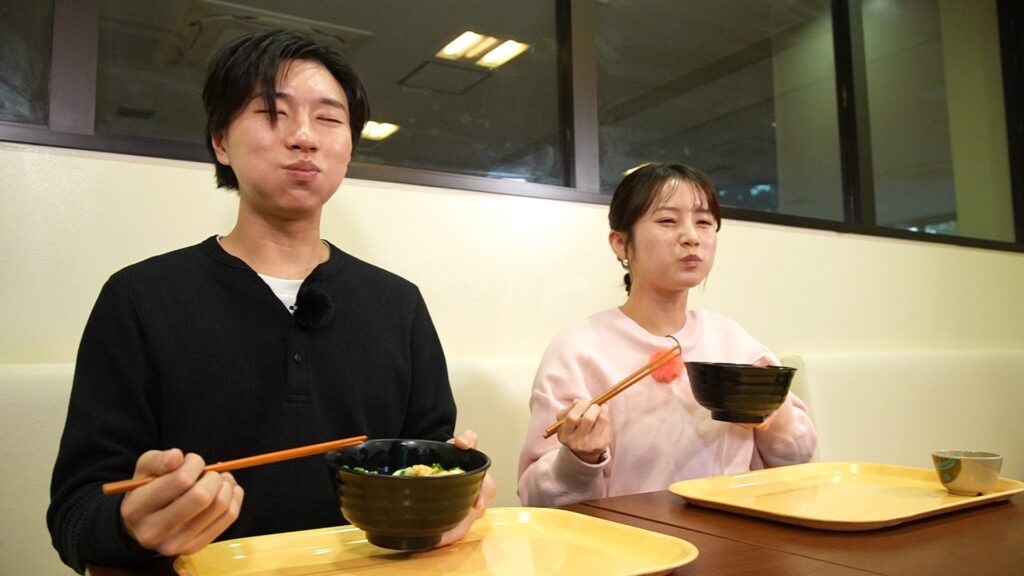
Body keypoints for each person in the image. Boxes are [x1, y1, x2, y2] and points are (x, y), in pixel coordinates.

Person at [48, 29, 494, 573]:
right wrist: (129, 525)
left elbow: (431, 460)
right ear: (220, 142)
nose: (304, 137)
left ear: (349, 146)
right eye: (272, 113)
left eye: (328, 119)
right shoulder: (139, 298)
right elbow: (76, 513)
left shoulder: (399, 305)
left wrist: (454, 499)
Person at [517, 163, 816, 507]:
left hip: (735, 528)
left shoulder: (733, 341)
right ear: (621, 243)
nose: (691, 236)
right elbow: (537, 499)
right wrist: (580, 459)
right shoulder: (579, 349)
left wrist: (771, 413)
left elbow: (797, 457)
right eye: (667, 220)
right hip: (628, 536)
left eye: (703, 222)